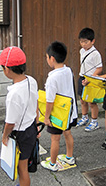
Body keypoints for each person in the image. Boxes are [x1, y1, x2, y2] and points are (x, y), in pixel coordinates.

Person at [0, 46, 39, 186]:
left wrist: (4, 136)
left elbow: (10, 123)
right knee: (25, 163)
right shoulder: (31, 80)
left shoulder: (13, 94)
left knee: (22, 169)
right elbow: (36, 104)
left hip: (21, 134)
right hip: (31, 127)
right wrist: (37, 126)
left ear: (7, 69)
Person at [40, 41, 78, 171]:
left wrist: (46, 117)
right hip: (68, 112)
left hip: (57, 114)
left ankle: (52, 164)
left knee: (55, 139)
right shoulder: (68, 70)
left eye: (47, 57)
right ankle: (69, 157)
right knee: (67, 133)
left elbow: (50, 100)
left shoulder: (52, 78)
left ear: (52, 58)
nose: (47, 60)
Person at [76, 28, 103, 131]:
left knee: (92, 102)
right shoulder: (81, 51)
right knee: (82, 100)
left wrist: (90, 78)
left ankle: (94, 122)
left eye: (86, 42)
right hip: (82, 77)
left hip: (91, 79)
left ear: (93, 41)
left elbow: (99, 68)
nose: (83, 44)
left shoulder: (95, 54)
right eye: (81, 42)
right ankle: (84, 118)